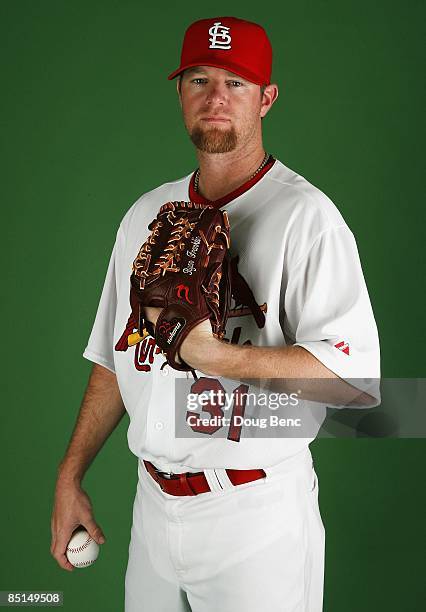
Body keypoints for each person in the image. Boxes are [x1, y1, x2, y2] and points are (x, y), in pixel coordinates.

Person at [50, 16, 380, 612]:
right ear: (179, 92)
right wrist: (70, 475)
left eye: (236, 81)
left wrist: (213, 353)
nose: (216, 97)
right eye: (199, 79)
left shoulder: (308, 218)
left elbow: (353, 383)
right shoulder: (146, 215)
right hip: (152, 510)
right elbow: (113, 359)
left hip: (256, 519)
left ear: (266, 98)